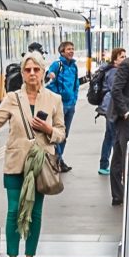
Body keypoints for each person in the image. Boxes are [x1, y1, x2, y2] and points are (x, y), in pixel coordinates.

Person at [0, 50, 64, 257]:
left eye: (36, 70)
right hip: (15, 164)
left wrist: (48, 129)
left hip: (40, 167)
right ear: (22, 73)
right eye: (27, 70)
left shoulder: (54, 99)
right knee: (14, 211)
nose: (32, 74)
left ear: (43, 72)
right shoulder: (12, 98)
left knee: (35, 213)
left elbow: (61, 133)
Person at [104, 43, 129, 205]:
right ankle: (126, 192)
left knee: (120, 153)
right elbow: (116, 90)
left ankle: (119, 194)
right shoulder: (127, 66)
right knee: (126, 153)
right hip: (124, 114)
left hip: (128, 112)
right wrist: (125, 112)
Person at [46, 40, 82, 170]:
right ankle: (57, 160)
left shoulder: (74, 66)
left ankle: (58, 160)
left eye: (72, 49)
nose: (71, 51)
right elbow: (49, 78)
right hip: (59, 106)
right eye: (68, 49)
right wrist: (57, 97)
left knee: (64, 135)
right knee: (58, 133)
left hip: (70, 105)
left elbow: (76, 84)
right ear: (62, 52)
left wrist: (74, 98)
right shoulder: (57, 65)